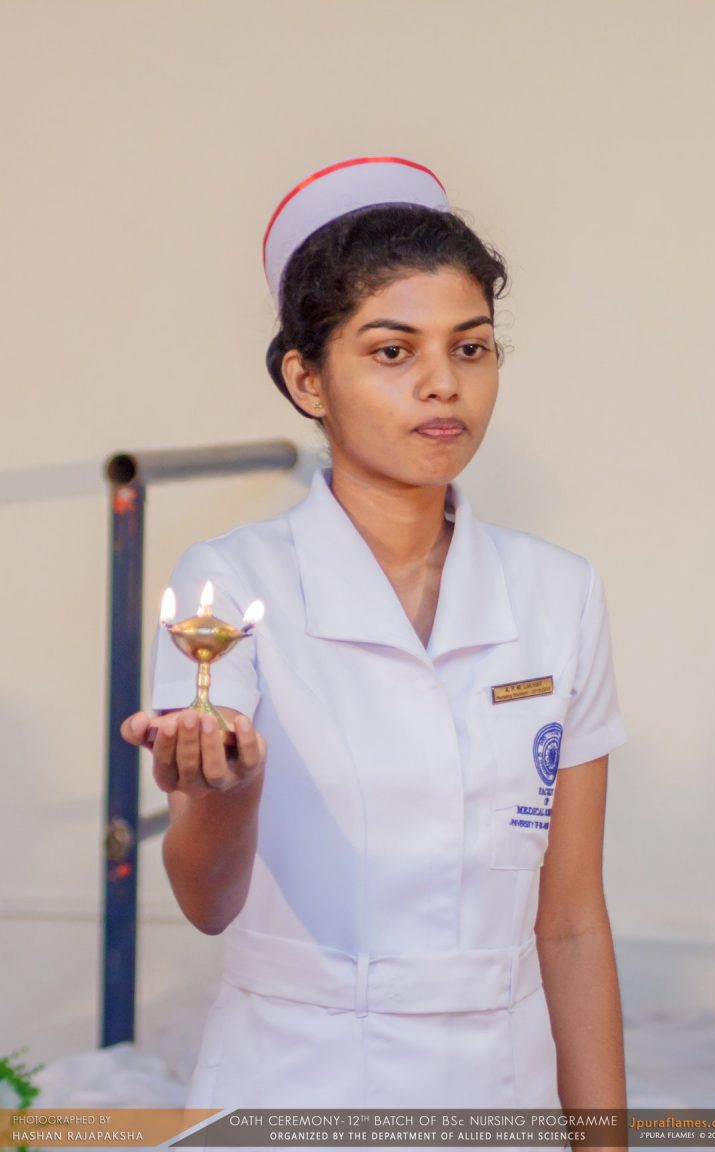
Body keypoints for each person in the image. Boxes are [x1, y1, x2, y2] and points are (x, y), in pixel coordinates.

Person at [122, 156, 628, 1112]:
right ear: (307, 379)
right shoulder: (234, 583)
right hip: (293, 1083)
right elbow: (206, 903)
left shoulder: (559, 594)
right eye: (393, 352)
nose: (443, 385)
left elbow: (569, 926)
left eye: (470, 348)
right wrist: (231, 788)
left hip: (500, 1091)